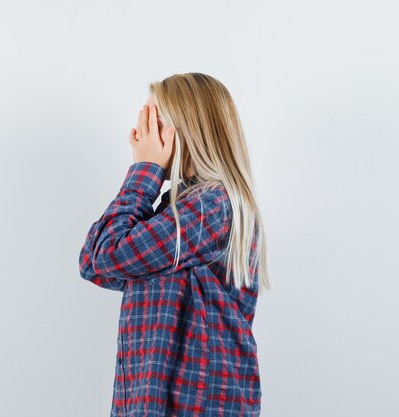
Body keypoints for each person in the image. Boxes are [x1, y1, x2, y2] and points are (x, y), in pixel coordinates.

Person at [79, 72, 272, 417]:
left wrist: (145, 169)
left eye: (152, 122)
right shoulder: (174, 209)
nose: (138, 136)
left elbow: (108, 253)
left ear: (186, 132)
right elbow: (93, 264)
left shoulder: (210, 208)